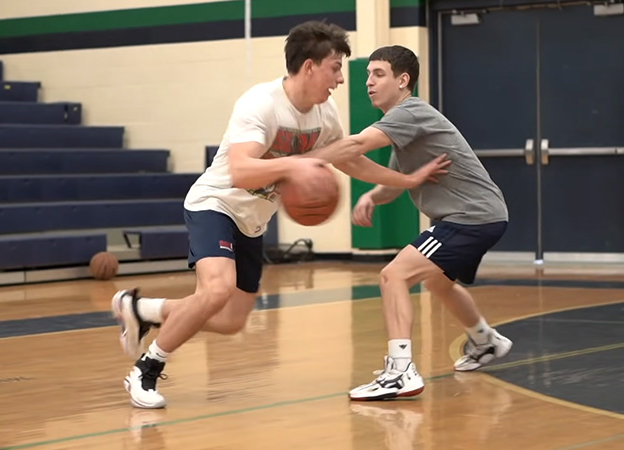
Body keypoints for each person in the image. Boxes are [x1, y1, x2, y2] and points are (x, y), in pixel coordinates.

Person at [111, 22, 450, 409]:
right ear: (309, 67)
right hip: (217, 203)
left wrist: (406, 179)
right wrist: (296, 167)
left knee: (230, 320)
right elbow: (241, 171)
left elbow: (349, 160)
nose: (341, 79)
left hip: (252, 221)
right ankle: (146, 368)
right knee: (216, 290)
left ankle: (141, 309)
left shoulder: (324, 112)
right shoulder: (261, 103)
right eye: (335, 68)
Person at [308, 45, 513, 401]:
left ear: (403, 81)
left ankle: (400, 371)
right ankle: (485, 340)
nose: (368, 82)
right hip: (482, 216)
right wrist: (372, 196)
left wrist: (298, 162)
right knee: (437, 282)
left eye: (379, 74)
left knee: (393, 274)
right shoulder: (403, 123)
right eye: (367, 75)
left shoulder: (411, 112)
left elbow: (355, 144)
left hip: (469, 217)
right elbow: (400, 180)